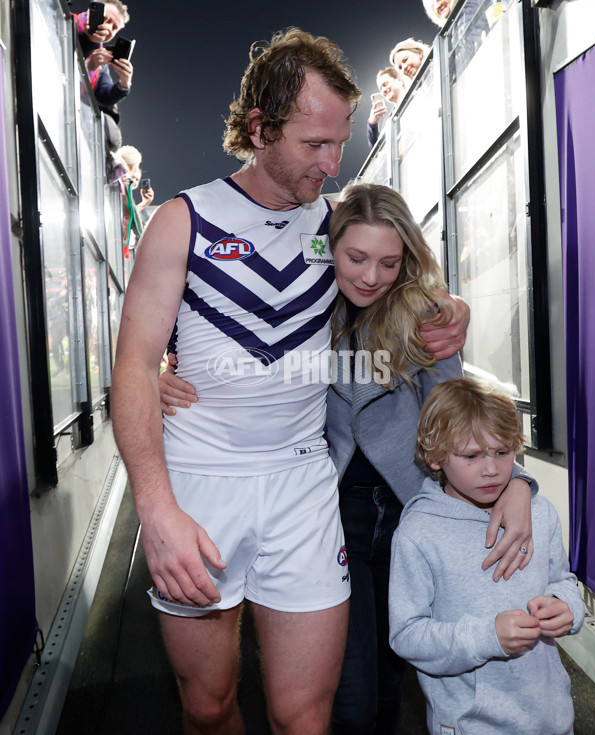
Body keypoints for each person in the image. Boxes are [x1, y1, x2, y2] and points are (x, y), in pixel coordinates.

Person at [112, 28, 471, 735]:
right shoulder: (182, 221)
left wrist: (454, 308)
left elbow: (402, 291)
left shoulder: (338, 224)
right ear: (260, 128)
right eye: (314, 144)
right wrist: (156, 509)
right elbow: (131, 364)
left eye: (339, 143)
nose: (333, 162)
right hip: (200, 481)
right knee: (209, 706)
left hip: (304, 487)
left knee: (304, 716)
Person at [159, 185, 535, 734]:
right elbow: (227, 357)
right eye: (355, 257)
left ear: (407, 258)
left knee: (393, 674)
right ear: (327, 250)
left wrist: (517, 481)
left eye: (388, 261)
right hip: (330, 510)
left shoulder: (428, 318)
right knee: (349, 693)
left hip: (414, 511)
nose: (370, 276)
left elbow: (461, 416)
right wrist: (159, 380)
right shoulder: (305, 309)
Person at [389, 377, 584, 735]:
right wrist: (486, 637)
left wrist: (567, 606)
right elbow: (407, 634)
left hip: (552, 719)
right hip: (471, 725)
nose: (491, 469)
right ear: (434, 457)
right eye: (471, 456)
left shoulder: (540, 514)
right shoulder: (419, 533)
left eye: (502, 452)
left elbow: (562, 580)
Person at [73, 2, 134, 150]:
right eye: (106, 19)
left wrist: (124, 83)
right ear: (92, 12)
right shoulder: (62, 21)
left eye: (114, 28)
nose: (108, 28)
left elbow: (104, 95)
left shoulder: (101, 58)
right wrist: (89, 41)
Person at [367, 68, 405, 148]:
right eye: (380, 89)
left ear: (399, 80)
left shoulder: (416, 95)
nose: (383, 90)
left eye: (385, 84)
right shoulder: (389, 121)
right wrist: (372, 123)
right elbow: (377, 150)